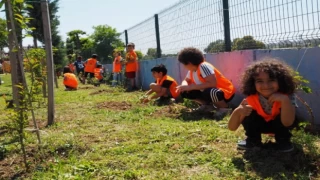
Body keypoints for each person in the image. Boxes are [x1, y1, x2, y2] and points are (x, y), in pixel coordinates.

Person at [228, 59, 297, 152]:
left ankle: (283, 140)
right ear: (253, 83)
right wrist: (237, 111)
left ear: (280, 81)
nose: (266, 85)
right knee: (247, 111)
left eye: (271, 80)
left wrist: (284, 101)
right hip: (260, 126)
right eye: (259, 81)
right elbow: (232, 128)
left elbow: (288, 123)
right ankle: (253, 140)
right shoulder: (250, 99)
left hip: (281, 126)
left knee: (287, 113)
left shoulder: (287, 96)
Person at [176, 47, 235, 115]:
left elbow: (212, 84)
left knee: (211, 91)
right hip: (209, 91)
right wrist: (184, 86)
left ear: (189, 63)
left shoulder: (203, 66)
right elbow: (186, 80)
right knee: (184, 91)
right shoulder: (192, 70)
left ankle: (225, 108)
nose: (183, 66)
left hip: (225, 92)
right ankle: (207, 106)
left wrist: (191, 87)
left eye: (184, 64)